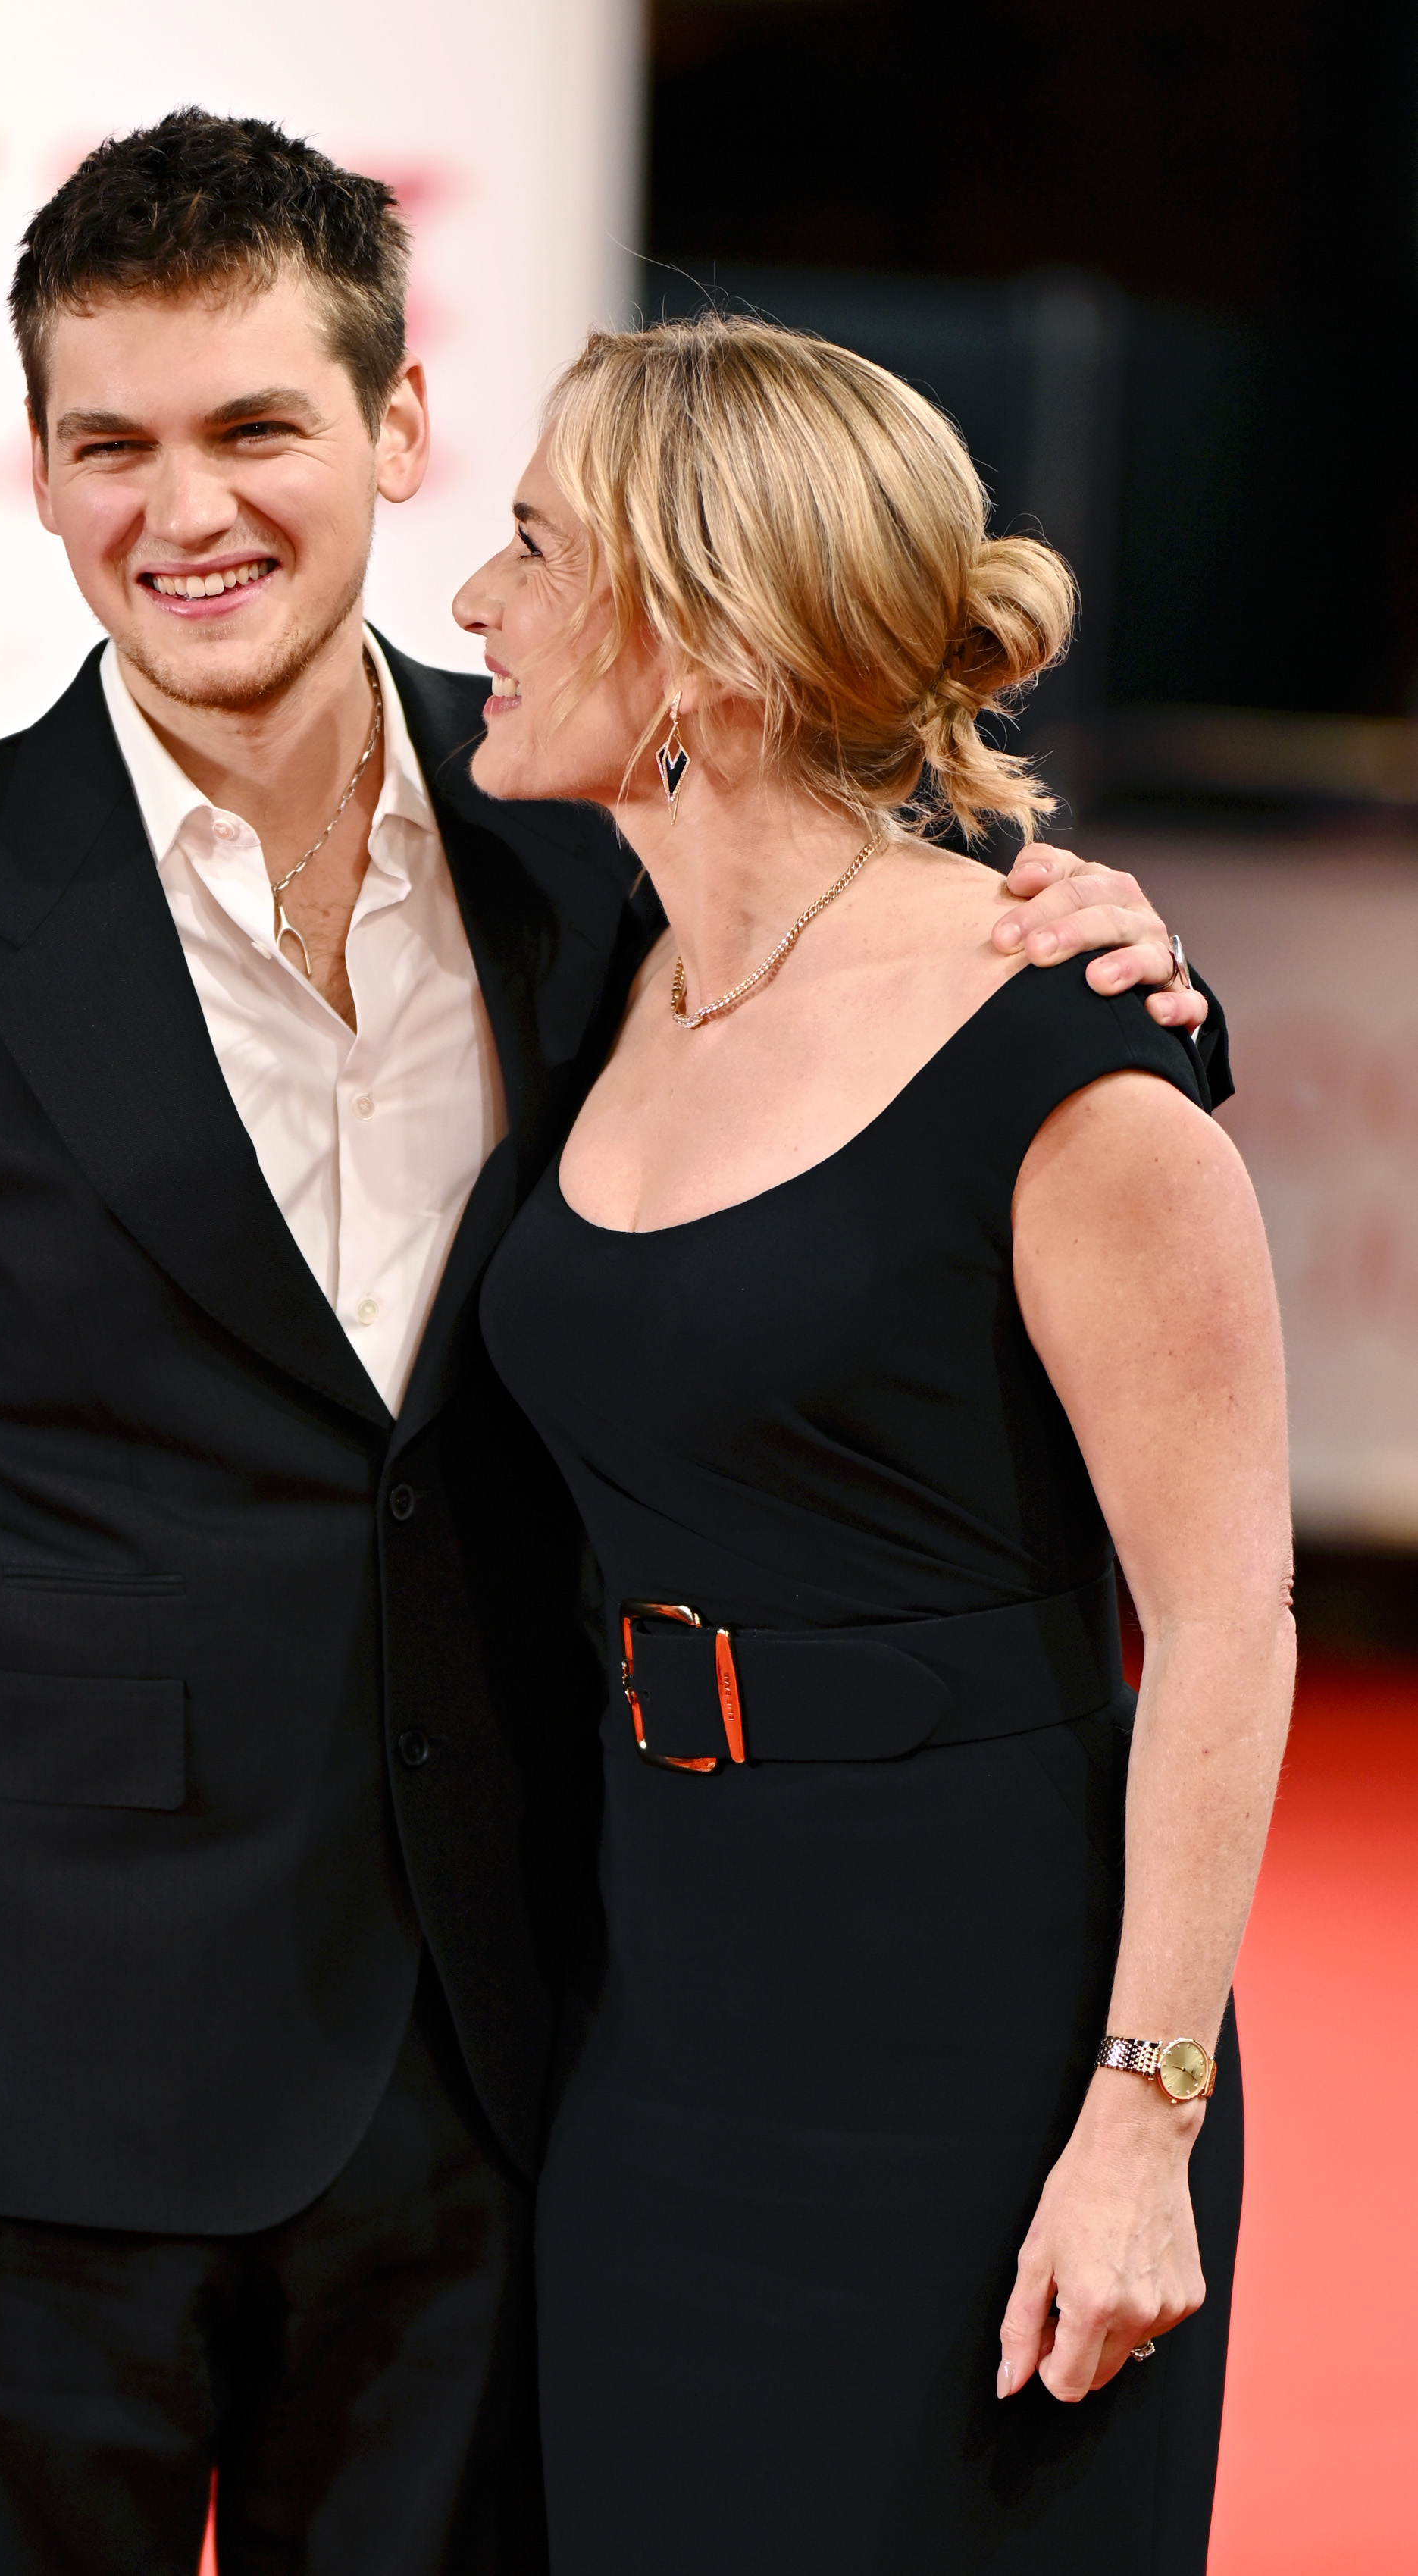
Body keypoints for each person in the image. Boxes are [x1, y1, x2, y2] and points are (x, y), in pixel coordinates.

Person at [0, 112, 1217, 2576]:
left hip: (518, 2055)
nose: (186, 509)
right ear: (46, 478)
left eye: (254, 427)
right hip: (32, 2079)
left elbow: (901, 1014)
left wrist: (1134, 970)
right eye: (113, 446)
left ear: (394, 435)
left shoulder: (582, 828)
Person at [469, 315, 1293, 2574]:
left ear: (702, 642)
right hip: (658, 2027)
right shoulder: (596, 959)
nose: (474, 604)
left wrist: (1138, 2122)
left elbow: (1225, 1625)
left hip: (976, 2050)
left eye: (533, 551)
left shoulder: (1071, 1062)